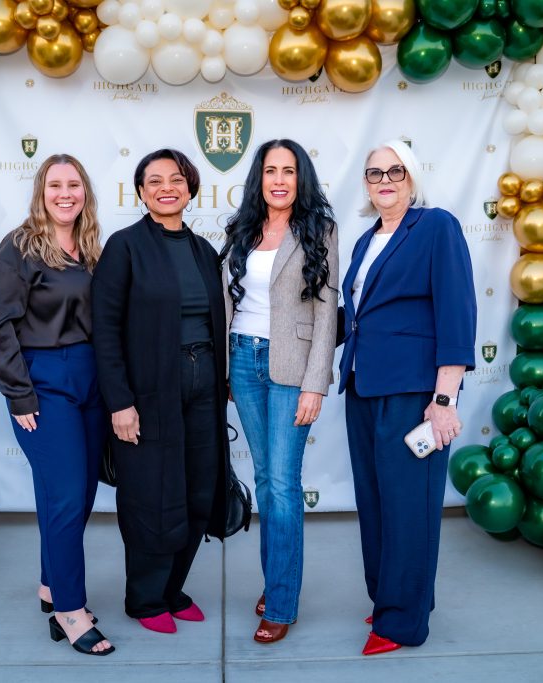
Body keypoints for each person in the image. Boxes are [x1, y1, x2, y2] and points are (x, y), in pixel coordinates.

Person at [338, 140, 477, 655]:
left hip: (414, 393)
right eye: (375, 173)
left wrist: (443, 400)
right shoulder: (364, 241)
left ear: (412, 177)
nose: (384, 180)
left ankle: (401, 623)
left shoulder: (436, 226)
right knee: (375, 505)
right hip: (362, 387)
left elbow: (457, 313)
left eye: (395, 170)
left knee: (409, 507)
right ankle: (392, 597)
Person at [91, 148, 230, 635]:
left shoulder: (204, 251)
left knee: (198, 490)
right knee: (152, 494)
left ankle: (173, 587)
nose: (166, 187)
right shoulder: (124, 247)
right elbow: (104, 329)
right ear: (141, 191)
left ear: (190, 188)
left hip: (205, 388)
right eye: (154, 181)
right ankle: (145, 598)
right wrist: (120, 402)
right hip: (148, 393)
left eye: (176, 179)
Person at [0, 154, 114, 655]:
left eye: (74, 185)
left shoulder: (89, 247)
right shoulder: (17, 248)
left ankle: (49, 584)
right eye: (56, 185)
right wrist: (19, 394)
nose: (66, 194)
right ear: (41, 191)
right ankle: (70, 610)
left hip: (90, 379)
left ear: (85, 192)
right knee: (64, 497)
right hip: (43, 380)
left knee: (78, 495)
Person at [220, 139, 337, 644]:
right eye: (271, 170)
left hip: (291, 367)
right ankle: (277, 581)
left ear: (301, 178)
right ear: (259, 178)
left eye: (289, 171)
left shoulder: (320, 229)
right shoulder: (242, 228)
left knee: (285, 485)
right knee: (265, 480)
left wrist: (316, 383)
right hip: (243, 360)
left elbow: (327, 312)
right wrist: (224, 370)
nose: (280, 179)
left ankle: (282, 602)